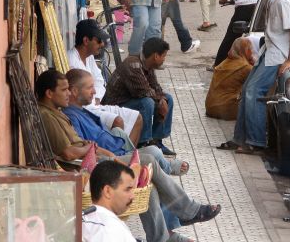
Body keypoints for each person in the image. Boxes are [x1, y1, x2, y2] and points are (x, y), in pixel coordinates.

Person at [36, 70, 221, 242]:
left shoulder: (57, 113)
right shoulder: (48, 116)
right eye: (64, 90)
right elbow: (68, 152)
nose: (67, 93)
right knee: (147, 160)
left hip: (96, 158)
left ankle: (162, 236)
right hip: (86, 168)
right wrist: (91, 148)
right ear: (49, 93)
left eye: (69, 89)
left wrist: (97, 149)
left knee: (148, 178)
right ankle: (187, 211)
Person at [219, 0, 290, 154]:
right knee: (247, 90)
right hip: (269, 52)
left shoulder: (285, 2)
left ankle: (256, 141)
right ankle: (240, 138)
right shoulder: (273, 1)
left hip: (277, 55)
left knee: (254, 91)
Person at [64, 69, 189, 175]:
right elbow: (84, 147)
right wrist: (110, 155)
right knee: (152, 154)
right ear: (74, 91)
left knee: (149, 148)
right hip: (110, 158)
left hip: (117, 150)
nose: (94, 91)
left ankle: (165, 168)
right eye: (90, 87)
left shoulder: (81, 111)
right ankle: (167, 169)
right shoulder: (72, 116)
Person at [67, 19, 143, 146]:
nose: (102, 44)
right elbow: (77, 95)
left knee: (137, 118)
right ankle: (119, 156)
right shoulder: (71, 61)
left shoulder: (89, 57)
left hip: (95, 104)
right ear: (86, 41)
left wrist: (96, 97)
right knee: (117, 121)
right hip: (84, 109)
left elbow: (99, 80)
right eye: (98, 40)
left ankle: (127, 156)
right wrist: (93, 98)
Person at [102, 38, 176, 156]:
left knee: (168, 99)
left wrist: (162, 99)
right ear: (156, 56)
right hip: (116, 105)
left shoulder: (147, 65)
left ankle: (157, 140)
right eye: (164, 56)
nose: (164, 59)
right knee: (147, 103)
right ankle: (143, 143)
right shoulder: (133, 64)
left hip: (131, 100)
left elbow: (156, 87)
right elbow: (143, 91)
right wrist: (160, 101)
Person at [82, 161, 138, 242]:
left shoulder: (83, 220)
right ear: (107, 191)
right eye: (127, 189)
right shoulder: (110, 229)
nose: (133, 196)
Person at [206, 38, 255, 120]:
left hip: (210, 108)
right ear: (247, 51)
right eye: (251, 50)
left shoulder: (223, 63)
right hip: (226, 109)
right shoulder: (245, 67)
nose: (252, 52)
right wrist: (253, 64)